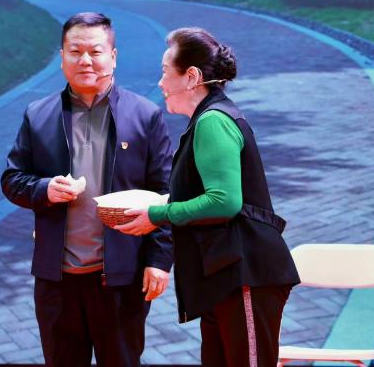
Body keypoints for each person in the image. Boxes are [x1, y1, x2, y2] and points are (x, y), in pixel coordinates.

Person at [115, 27, 300, 367]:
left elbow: (224, 201)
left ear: (191, 77)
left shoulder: (213, 121)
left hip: (246, 273)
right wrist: (159, 205)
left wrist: (157, 214)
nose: (160, 82)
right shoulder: (207, 118)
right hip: (227, 277)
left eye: (165, 72)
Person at [1, 12, 174, 367]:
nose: (85, 60)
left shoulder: (144, 115)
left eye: (95, 51)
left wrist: (158, 261)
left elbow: (165, 193)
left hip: (122, 279)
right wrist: (44, 189)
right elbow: (12, 179)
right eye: (75, 51)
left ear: (113, 56)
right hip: (57, 281)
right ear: (62, 56)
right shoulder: (39, 115)